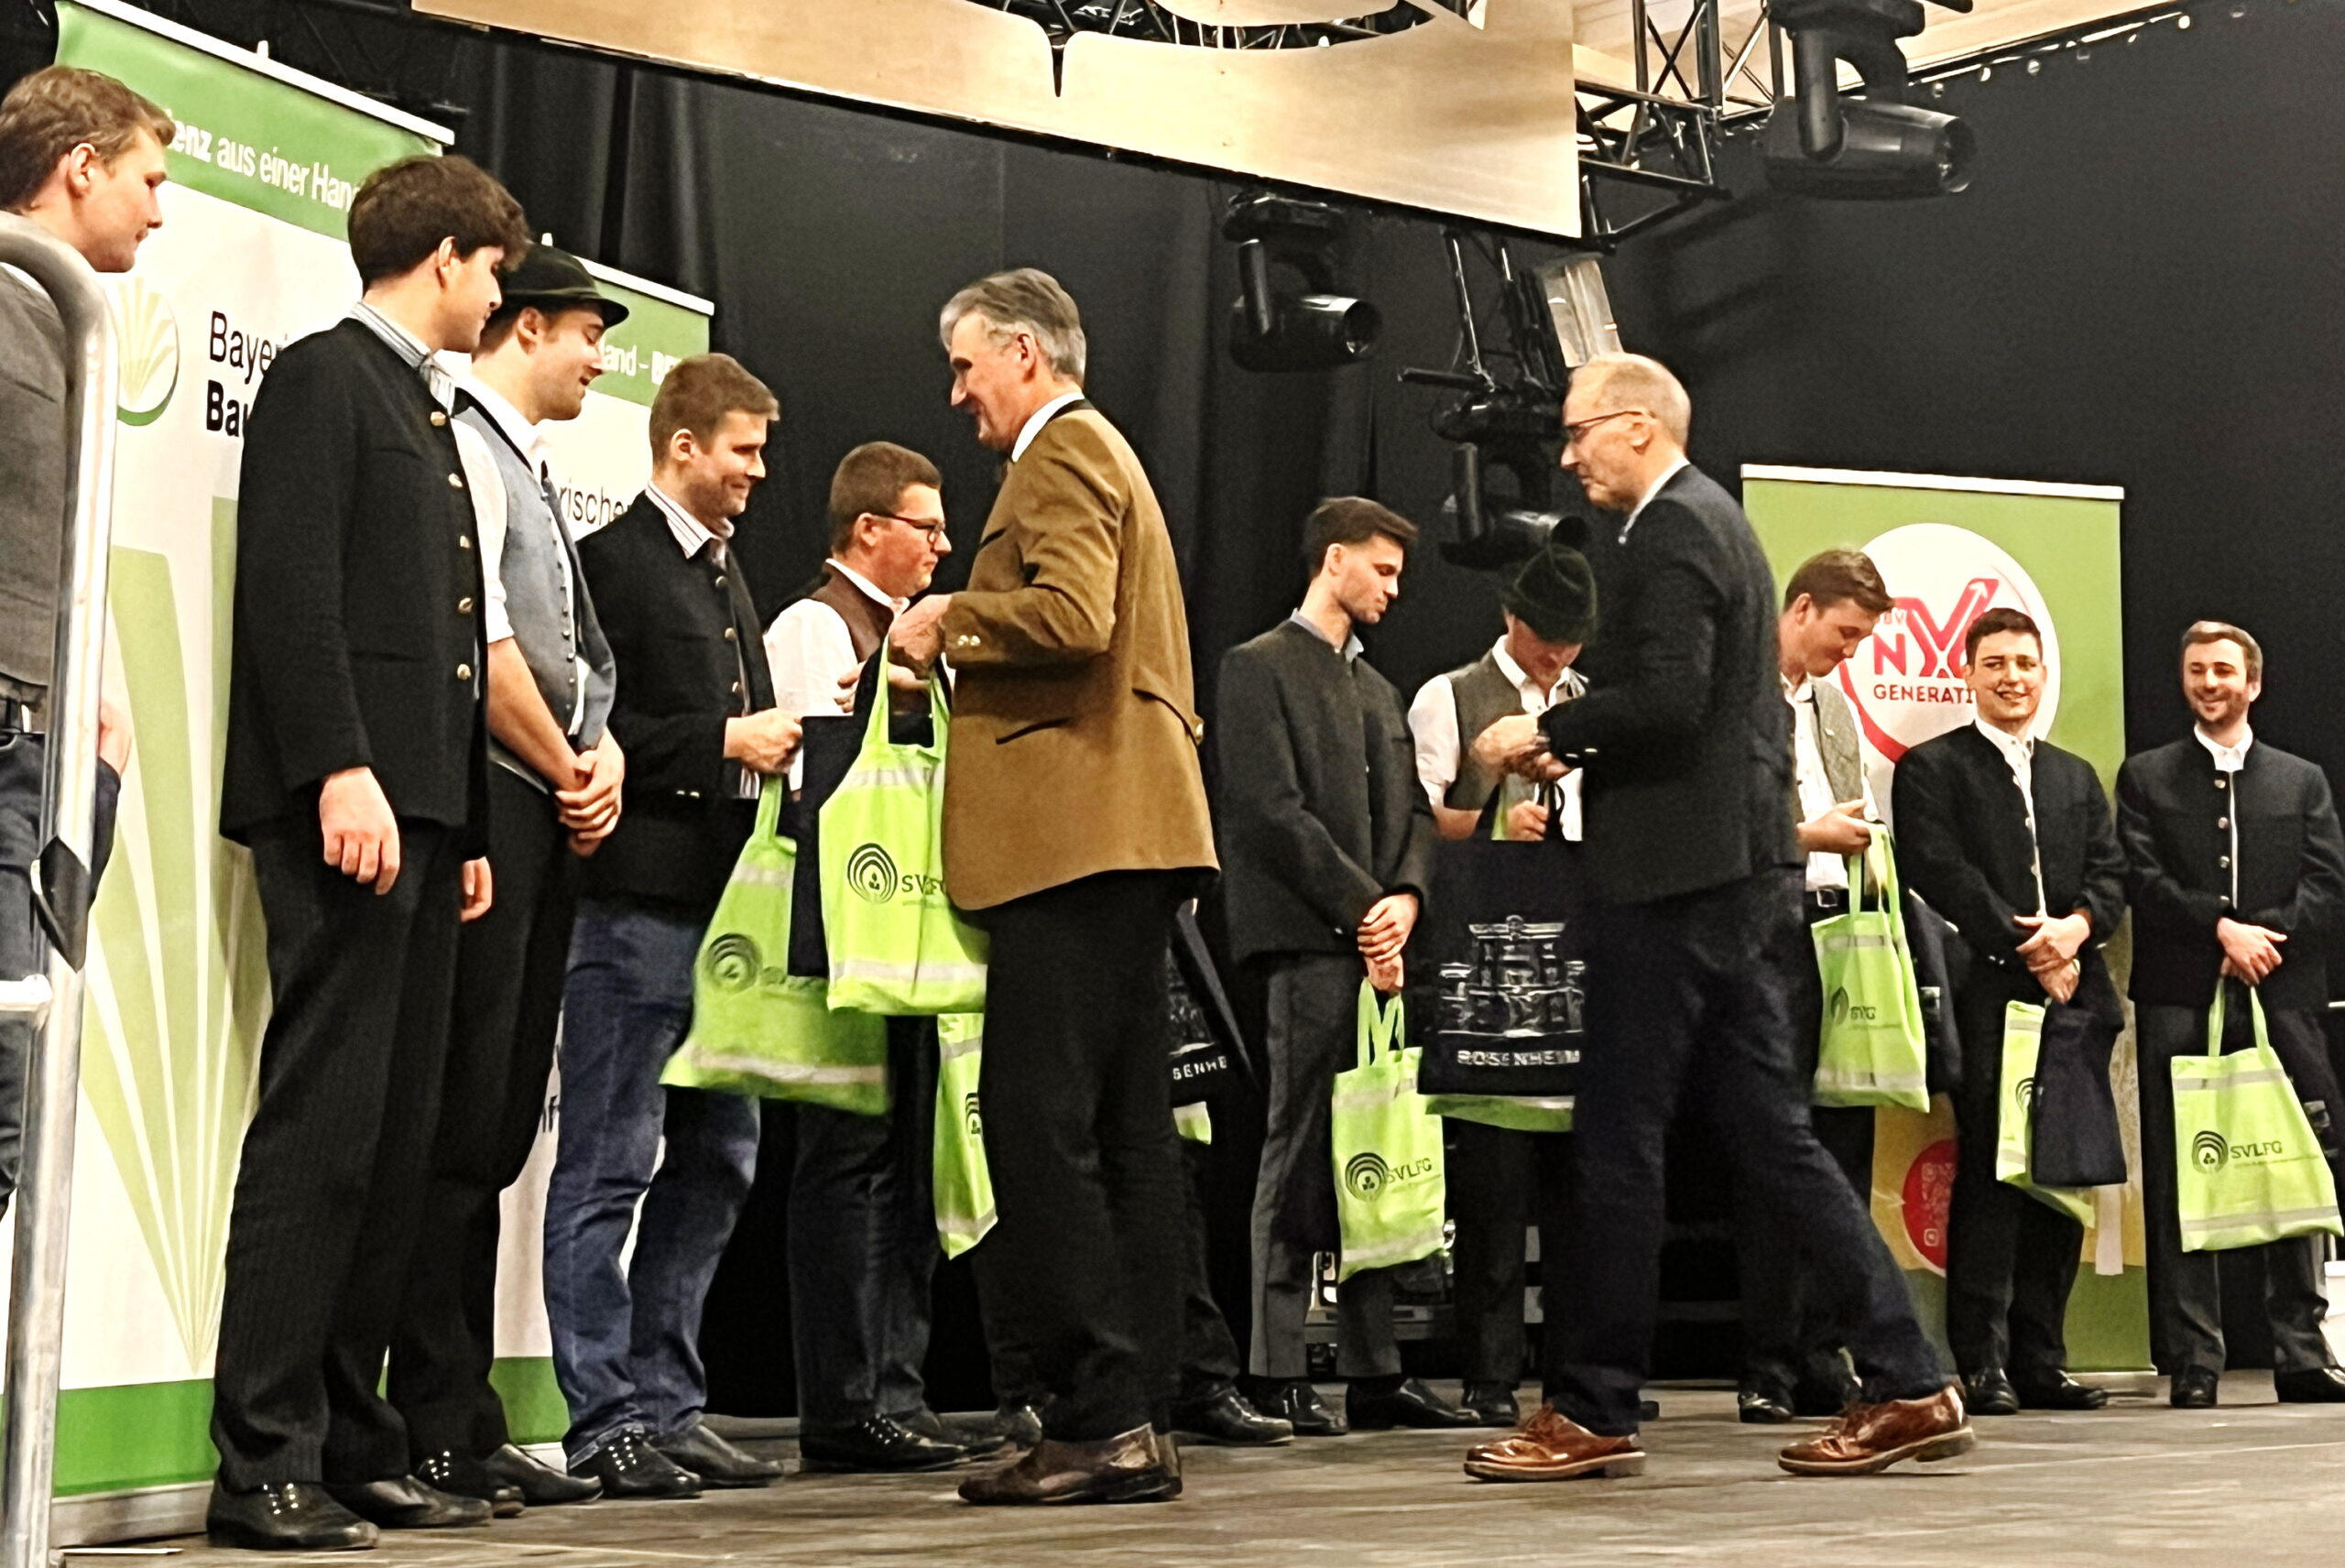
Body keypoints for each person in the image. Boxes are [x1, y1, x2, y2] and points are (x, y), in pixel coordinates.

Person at [1463, 353, 1966, 1483]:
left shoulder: (1672, 530)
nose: (1567, 453)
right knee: (1770, 1135)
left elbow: (1671, 698)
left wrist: (1546, 732)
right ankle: (1907, 1376)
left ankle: (1591, 1405)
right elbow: (1698, 709)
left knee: (1617, 1140)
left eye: (1579, 430)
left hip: (1672, 883)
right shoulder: (1714, 523)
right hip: (1729, 878)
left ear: (1637, 426)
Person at [209, 155, 528, 1552]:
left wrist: (462, 819)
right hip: (346, 809)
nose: (500, 294)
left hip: (425, 820)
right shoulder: (323, 379)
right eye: (496, 268)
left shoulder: (426, 406)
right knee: (325, 1137)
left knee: (398, 1146)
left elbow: (444, 638)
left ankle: (350, 1439)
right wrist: (339, 766)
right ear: (446, 256)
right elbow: (294, 591)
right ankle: (261, 1458)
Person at [889, 267, 1216, 1506]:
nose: (957, 393)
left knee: (1038, 1124)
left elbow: (1074, 615)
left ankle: (1094, 1414)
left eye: (966, 365)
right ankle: (1132, 1414)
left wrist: (948, 622)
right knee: (1127, 1132)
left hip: (1074, 833)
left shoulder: (1062, 452)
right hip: (1121, 830)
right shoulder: (1105, 451)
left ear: (1023, 352)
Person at [382, 244, 627, 1514]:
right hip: (498, 806)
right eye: (587, 333)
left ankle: (465, 1413)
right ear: (524, 326)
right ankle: (430, 1416)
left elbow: (585, 657)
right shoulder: (467, 447)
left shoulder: (524, 461)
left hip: (545, 809)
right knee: (460, 1115)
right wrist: (569, 763)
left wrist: (603, 753)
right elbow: (485, 647)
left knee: (493, 1124)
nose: (599, 360)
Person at [545, 354, 802, 1498]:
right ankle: (601, 1417)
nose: (757, 471)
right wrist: (721, 741)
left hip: (725, 917)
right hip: (634, 910)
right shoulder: (608, 564)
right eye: (742, 450)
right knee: (609, 1165)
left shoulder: (726, 573)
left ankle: (667, 1402)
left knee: (719, 1161)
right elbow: (586, 728)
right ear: (682, 445)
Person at [1218, 496, 1467, 1440]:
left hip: (1379, 946)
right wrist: (1365, 907)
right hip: (1308, 941)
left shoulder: (1378, 690)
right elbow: (1269, 812)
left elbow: (1414, 813)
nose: (1394, 588)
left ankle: (1374, 1366)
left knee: (1373, 1144)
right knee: (1295, 1147)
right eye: (1382, 569)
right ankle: (1276, 1363)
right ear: (1333, 560)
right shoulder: (1256, 668)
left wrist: (1405, 898)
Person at [758, 441, 971, 1472]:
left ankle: (899, 1385)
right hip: (848, 926)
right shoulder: (813, 626)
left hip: (913, 930)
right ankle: (845, 1402)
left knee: (908, 1159)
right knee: (847, 1160)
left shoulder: (920, 637)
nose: (942, 544)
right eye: (925, 525)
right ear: (867, 528)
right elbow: (816, 783)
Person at [1892, 606, 2124, 1416]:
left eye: (2024, 663)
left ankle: (2042, 1360)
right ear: (1967, 673)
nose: (2012, 677)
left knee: (2061, 1178)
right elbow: (1939, 870)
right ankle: (1982, 1362)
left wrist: (2077, 931)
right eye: (1994, 663)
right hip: (1989, 996)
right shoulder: (1932, 768)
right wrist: (2029, 947)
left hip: (2076, 1000)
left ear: (2043, 673)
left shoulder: (2075, 776)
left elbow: (2110, 872)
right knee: (1994, 1176)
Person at [2116, 622, 2345, 1408]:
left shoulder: (2301, 779)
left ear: (2253, 682)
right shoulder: (2146, 776)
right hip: (2181, 996)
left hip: (2284, 996)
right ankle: (2194, 1358)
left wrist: (2261, 940)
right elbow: (2140, 877)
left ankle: (2302, 1350)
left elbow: (2327, 881)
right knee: (2186, 1170)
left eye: (2222, 670)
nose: (2208, 683)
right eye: (2196, 671)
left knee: (2295, 1164)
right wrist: (2219, 929)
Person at [0, 65, 154, 1220]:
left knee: (15, 1092)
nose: (159, 211)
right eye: (147, 180)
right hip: (8, 735)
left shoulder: (71, 321)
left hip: (38, 743)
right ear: (81, 166)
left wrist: (82, 695)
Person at [1404, 535, 1595, 1427]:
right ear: (1510, 616)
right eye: (1545, 637)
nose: (1558, 656)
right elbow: (1419, 822)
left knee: (1582, 1182)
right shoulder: (1448, 694)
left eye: (1573, 640)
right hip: (1487, 950)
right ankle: (1489, 1375)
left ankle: (1578, 1374)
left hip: (1581, 948)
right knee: (1493, 1176)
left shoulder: (1590, 703)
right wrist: (1492, 819)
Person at [1734, 549, 1896, 1425]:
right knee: (1776, 1141)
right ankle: (1766, 1358)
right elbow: (1722, 822)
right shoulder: (1734, 691)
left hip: (1842, 934)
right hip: (1767, 931)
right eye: (1845, 632)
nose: (1851, 651)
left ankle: (1824, 1348)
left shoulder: (1835, 705)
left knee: (1844, 1141)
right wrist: (1810, 836)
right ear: (1800, 610)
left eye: (1864, 638)